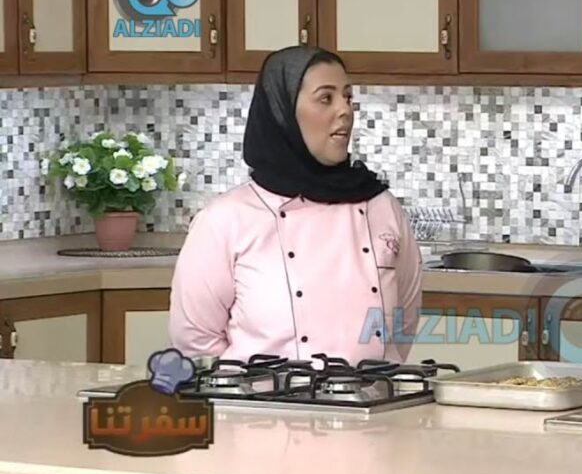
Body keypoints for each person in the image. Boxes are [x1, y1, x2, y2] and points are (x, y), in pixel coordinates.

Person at [168, 46, 422, 365]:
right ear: (282, 112)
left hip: (374, 395)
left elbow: (403, 324)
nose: (345, 110)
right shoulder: (225, 220)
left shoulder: (381, 207)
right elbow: (195, 341)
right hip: (262, 397)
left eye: (347, 97)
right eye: (326, 98)